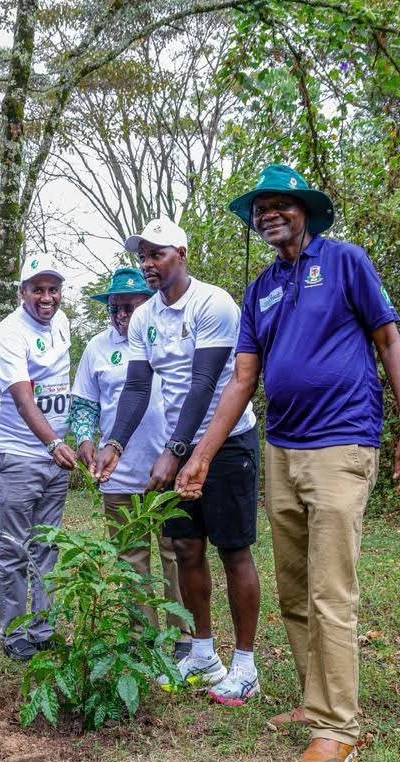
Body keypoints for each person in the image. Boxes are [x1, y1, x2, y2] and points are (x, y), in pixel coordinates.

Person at [178, 165, 400, 762]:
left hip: (342, 444)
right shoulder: (260, 288)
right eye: (261, 208)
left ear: (305, 212)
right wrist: (202, 455)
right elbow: (242, 379)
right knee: (293, 589)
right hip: (280, 449)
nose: (270, 215)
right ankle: (316, 702)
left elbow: (389, 343)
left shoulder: (346, 262)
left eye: (281, 205)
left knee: (330, 589)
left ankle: (338, 727)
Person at [92, 217, 261, 708]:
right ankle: (203, 653)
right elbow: (139, 387)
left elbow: (205, 383)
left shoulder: (214, 304)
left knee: (234, 551)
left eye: (157, 254)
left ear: (181, 252)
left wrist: (176, 452)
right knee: (186, 547)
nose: (147, 264)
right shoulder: (144, 317)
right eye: (142, 256)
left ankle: (245, 665)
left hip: (227, 443)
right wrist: (116, 443)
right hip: (179, 444)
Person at [71, 267, 189, 657]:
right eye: (115, 308)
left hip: (168, 468)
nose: (122, 316)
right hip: (118, 473)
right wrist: (86, 439)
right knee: (130, 560)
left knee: (176, 553)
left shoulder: (168, 335)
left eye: (130, 307)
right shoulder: (97, 348)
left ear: (147, 303)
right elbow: (85, 403)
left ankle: (183, 640)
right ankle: (142, 641)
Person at [0, 252, 75, 662]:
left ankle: (43, 627)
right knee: (14, 547)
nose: (46, 297)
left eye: (52, 289)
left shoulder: (63, 324)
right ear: (22, 292)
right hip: (17, 453)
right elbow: (23, 399)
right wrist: (55, 443)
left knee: (47, 545)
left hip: (53, 457)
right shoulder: (8, 334)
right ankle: (14, 631)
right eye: (37, 289)